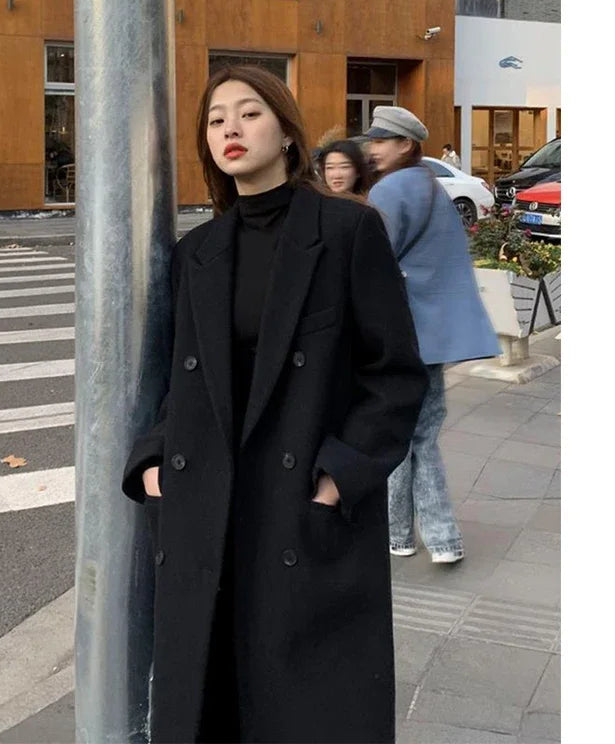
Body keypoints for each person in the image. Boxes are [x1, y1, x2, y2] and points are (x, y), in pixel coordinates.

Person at [122, 66, 428, 743]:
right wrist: (152, 462)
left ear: (288, 133)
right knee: (211, 705)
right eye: (215, 119)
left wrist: (338, 476)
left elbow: (397, 374)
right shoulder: (196, 252)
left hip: (298, 508)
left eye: (249, 113)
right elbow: (180, 378)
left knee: (303, 710)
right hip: (206, 510)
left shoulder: (347, 231)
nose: (230, 128)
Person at [366, 106, 500, 564]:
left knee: (406, 436)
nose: (372, 147)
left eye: (382, 140)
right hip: (437, 335)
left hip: (404, 332)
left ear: (405, 144)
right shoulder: (429, 184)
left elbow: (374, 261)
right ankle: (409, 536)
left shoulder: (390, 189)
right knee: (419, 434)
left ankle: (421, 536)